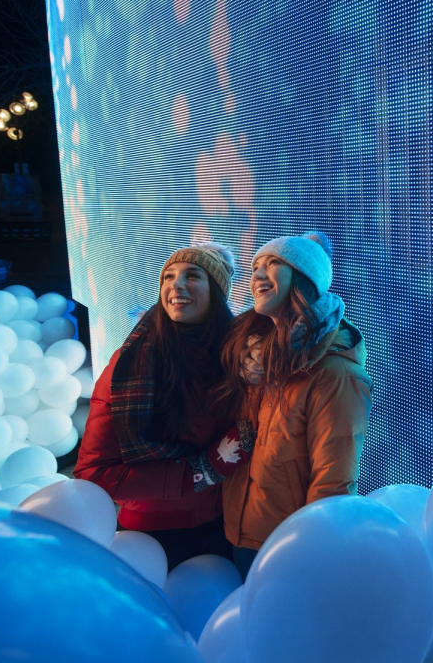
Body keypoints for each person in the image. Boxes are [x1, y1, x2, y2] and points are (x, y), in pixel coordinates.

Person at [74, 242, 253, 570]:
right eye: (168, 277)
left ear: (217, 292)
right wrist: (198, 472)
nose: (176, 284)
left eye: (193, 276)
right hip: (149, 539)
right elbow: (94, 473)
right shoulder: (130, 363)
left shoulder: (238, 359)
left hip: (226, 528)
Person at [218, 231, 372, 577]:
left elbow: (333, 484)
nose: (258, 275)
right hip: (241, 533)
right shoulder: (258, 357)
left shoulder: (335, 373)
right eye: (255, 267)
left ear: (305, 278)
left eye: (273, 263)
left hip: (289, 548)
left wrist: (311, 554)